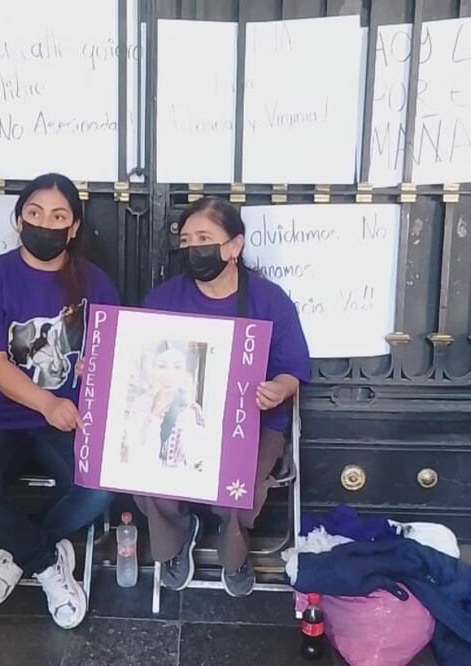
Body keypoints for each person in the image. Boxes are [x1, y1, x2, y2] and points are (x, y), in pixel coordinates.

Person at [0, 173, 119, 630]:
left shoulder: (96, 284)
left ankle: (19, 549)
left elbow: (112, 354)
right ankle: (46, 564)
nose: (46, 223)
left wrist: (92, 372)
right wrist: (45, 402)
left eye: (59, 215)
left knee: (100, 488)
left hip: (69, 417)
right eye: (35, 213)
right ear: (18, 219)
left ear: (74, 227)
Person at [132, 197, 312, 597]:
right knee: (148, 471)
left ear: (234, 247)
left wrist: (279, 388)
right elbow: (139, 361)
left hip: (254, 423)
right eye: (187, 239)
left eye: (205, 238)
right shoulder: (163, 299)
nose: (194, 247)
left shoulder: (269, 300)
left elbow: (294, 369)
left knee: (236, 487)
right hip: (179, 415)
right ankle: (176, 542)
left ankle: (234, 554)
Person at [120, 342, 207, 470]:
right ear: (154, 369)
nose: (169, 374)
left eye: (177, 367)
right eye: (162, 366)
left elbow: (196, 463)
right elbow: (128, 451)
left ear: (184, 372)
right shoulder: (141, 404)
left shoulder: (190, 412)